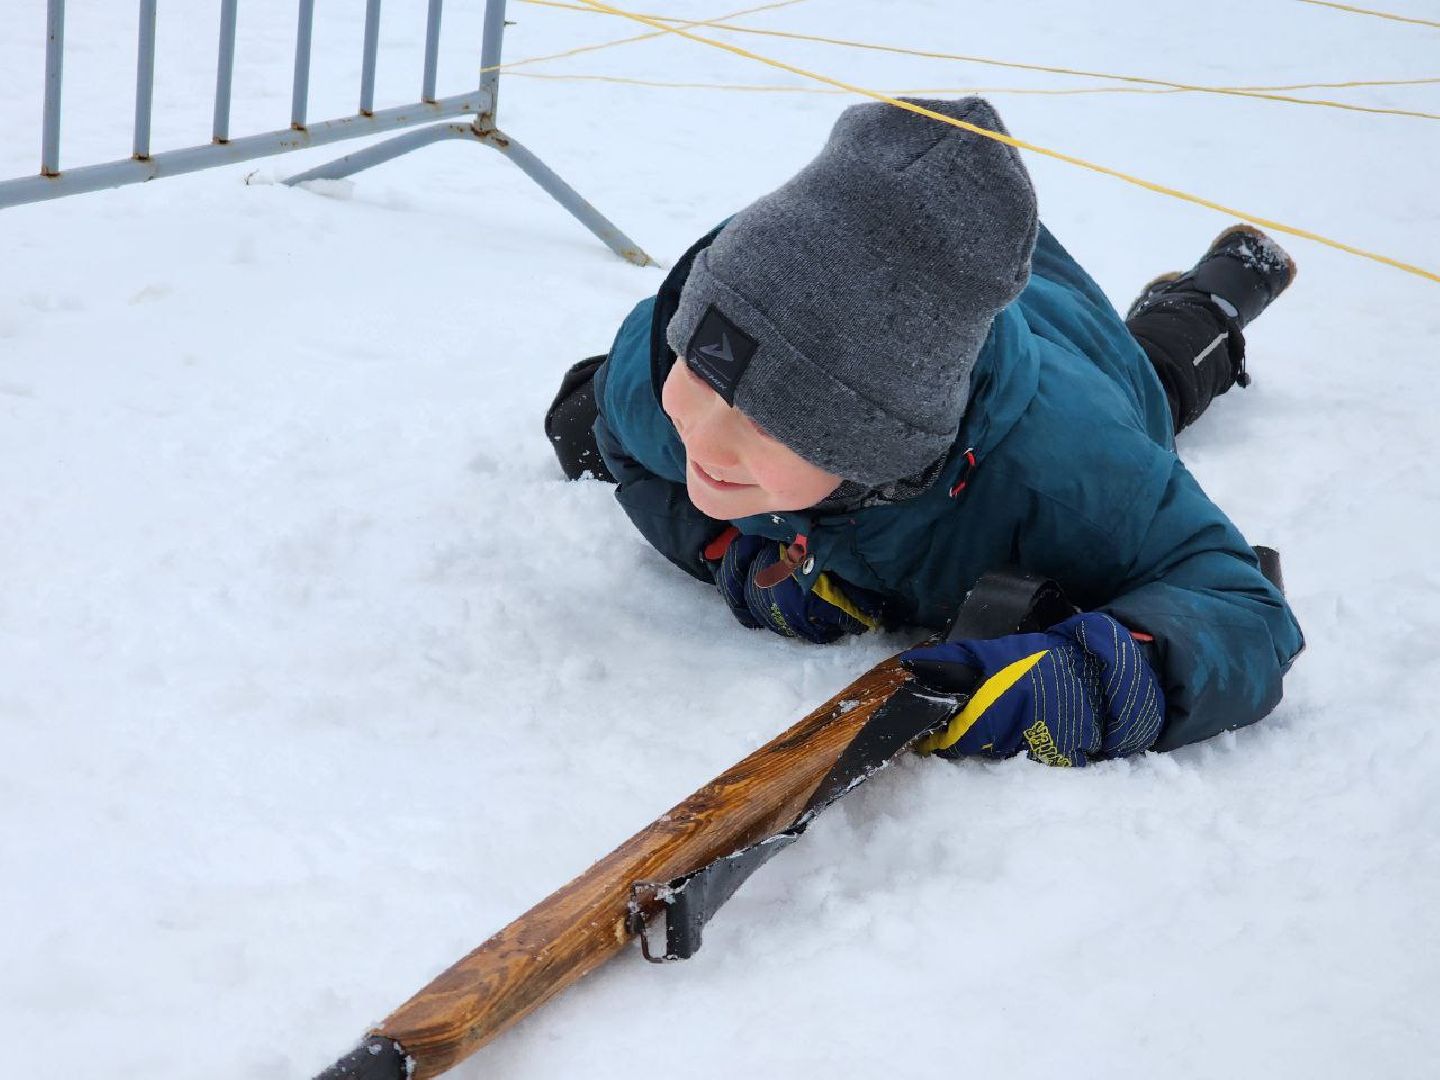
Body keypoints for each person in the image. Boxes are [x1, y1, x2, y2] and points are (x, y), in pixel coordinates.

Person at [545, 96, 1303, 766]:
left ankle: (1217, 296)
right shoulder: (658, 367)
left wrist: (1094, 678)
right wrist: (730, 554)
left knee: (1159, 374)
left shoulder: (1065, 476)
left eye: (771, 424)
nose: (703, 442)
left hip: (1072, 347)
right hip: (904, 300)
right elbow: (621, 439)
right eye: (703, 376)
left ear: (875, 450)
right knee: (576, 422)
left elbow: (1243, 608)